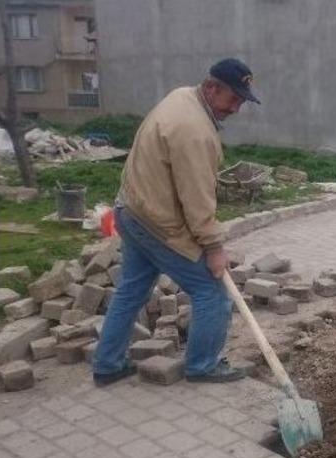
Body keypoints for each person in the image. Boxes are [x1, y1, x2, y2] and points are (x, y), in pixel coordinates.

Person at [93, 58, 261, 385]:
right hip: (156, 223)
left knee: (131, 290)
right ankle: (203, 366)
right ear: (211, 88)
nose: (236, 108)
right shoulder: (195, 131)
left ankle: (107, 365)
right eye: (232, 98)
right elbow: (197, 199)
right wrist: (213, 248)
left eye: (241, 101)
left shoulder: (182, 96)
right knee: (212, 293)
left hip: (131, 209)